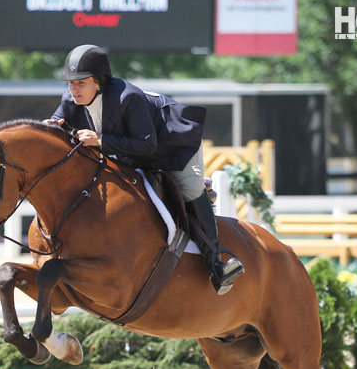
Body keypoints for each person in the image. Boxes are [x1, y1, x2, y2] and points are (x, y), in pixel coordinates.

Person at [46, 44, 244, 295]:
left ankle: (217, 263)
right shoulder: (70, 100)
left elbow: (147, 145)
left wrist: (100, 140)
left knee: (189, 188)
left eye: (81, 83)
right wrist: (48, 128)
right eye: (70, 83)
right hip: (128, 151)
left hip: (170, 144)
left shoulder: (128, 98)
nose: (74, 89)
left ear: (99, 82)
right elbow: (57, 124)